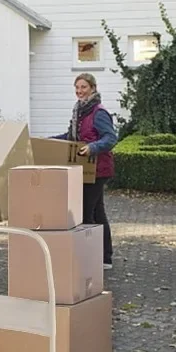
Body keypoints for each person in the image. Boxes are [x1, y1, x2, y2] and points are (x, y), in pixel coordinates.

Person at [53, 73, 117, 269]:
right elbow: (71, 136)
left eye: (83, 87)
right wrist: (50, 140)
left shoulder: (99, 112)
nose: (79, 91)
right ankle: (104, 257)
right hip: (85, 169)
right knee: (98, 211)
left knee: (86, 212)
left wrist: (92, 147)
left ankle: (92, 258)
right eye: (77, 88)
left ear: (93, 88)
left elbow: (110, 138)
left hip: (98, 169)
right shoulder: (79, 112)